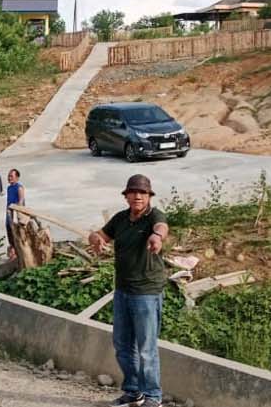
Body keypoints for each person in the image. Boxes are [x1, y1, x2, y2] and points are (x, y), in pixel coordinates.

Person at [87, 174, 170, 407]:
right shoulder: (121, 219)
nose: (137, 196)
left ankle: (153, 396)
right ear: (126, 196)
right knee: (123, 346)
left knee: (146, 349)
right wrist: (96, 239)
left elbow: (162, 227)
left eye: (142, 193)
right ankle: (133, 392)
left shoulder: (154, 216)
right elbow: (100, 235)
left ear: (149, 196)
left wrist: (156, 236)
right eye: (133, 192)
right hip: (122, 291)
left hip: (146, 293)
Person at [4, 168, 24, 258]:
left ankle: (18, 254)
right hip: (9, 215)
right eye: (9, 176)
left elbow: (21, 202)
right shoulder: (9, 188)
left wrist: (15, 211)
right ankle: (13, 253)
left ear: (17, 177)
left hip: (16, 215)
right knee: (10, 235)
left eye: (11, 176)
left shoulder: (19, 188)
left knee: (17, 235)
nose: (9, 178)